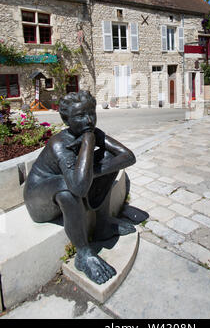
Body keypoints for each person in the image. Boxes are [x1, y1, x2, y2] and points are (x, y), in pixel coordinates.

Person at [23, 90, 136, 285]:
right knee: (66, 186)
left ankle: (102, 226)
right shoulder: (60, 144)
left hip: (71, 184)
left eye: (91, 113)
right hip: (38, 197)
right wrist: (89, 142)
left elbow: (128, 156)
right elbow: (79, 188)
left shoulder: (93, 132)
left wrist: (91, 169)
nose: (89, 120)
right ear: (66, 120)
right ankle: (84, 253)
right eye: (80, 116)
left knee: (109, 159)